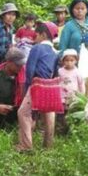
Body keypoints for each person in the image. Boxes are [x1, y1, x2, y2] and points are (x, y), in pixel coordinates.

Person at [17, 21, 59, 151]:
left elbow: (30, 70)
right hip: (51, 85)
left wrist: (28, 87)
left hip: (37, 83)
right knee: (49, 113)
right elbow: (56, 71)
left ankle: (26, 145)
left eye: (37, 34)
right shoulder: (55, 51)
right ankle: (48, 144)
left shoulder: (37, 48)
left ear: (43, 35)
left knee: (23, 113)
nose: (35, 37)